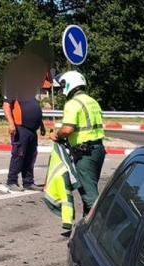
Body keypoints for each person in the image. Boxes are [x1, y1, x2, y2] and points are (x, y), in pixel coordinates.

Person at [49, 71, 105, 212]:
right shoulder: (92, 101)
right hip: (98, 150)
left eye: (61, 88)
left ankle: (101, 227)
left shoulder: (72, 104)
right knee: (91, 187)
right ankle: (87, 224)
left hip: (84, 154)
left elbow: (67, 129)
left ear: (68, 84)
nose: (61, 92)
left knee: (89, 195)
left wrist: (57, 134)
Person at [2, 90, 44, 191]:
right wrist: (11, 124)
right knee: (18, 155)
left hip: (32, 130)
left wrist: (41, 125)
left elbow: (35, 110)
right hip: (20, 128)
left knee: (31, 156)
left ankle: (28, 182)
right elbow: (6, 106)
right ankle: (11, 181)